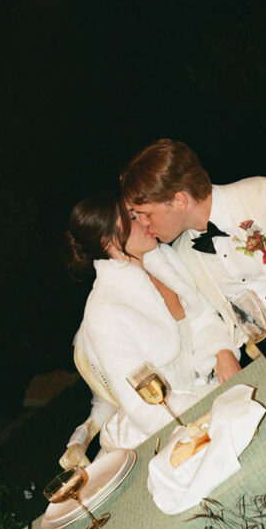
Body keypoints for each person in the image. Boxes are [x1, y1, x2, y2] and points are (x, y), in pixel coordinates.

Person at [121, 138, 266, 356]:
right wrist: (223, 354)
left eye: (146, 214)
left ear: (180, 201)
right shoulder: (181, 254)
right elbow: (202, 321)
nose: (143, 224)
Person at [63, 191, 241, 453]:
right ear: (108, 241)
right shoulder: (105, 313)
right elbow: (145, 410)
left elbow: (201, 315)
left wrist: (222, 352)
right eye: (134, 217)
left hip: (211, 387)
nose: (147, 221)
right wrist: (211, 403)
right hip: (165, 429)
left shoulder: (163, 258)